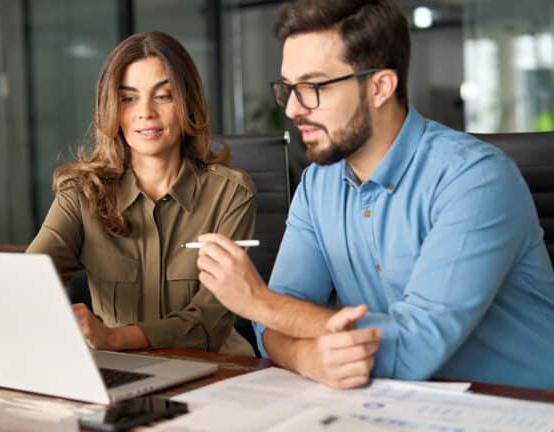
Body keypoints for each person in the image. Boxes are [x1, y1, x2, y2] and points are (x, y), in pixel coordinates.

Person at [195, 0, 554, 389]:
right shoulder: (319, 184)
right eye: (289, 88)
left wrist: (258, 301)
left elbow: (411, 350)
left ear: (380, 86)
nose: (294, 109)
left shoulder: (475, 179)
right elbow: (273, 329)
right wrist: (306, 357)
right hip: (393, 407)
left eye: (313, 87)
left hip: (517, 408)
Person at [27, 32, 256, 356]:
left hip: (216, 369)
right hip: (121, 371)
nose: (145, 112)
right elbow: (30, 278)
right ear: (111, 107)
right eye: (128, 98)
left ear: (187, 102)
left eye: (163, 96)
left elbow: (210, 318)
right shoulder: (80, 193)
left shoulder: (230, 192)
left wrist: (114, 338)